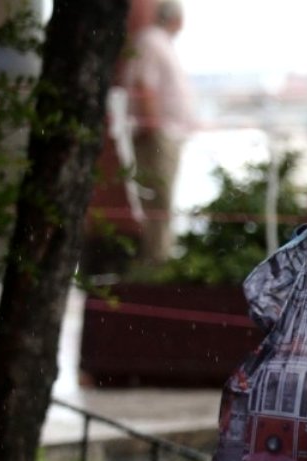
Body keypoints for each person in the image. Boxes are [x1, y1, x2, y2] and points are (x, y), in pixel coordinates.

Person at [124, 0, 196, 266]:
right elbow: (145, 85)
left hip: (167, 133)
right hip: (158, 134)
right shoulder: (152, 42)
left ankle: (160, 256)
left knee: (162, 198)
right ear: (175, 18)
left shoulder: (159, 42)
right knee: (159, 198)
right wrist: (152, 127)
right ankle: (157, 259)